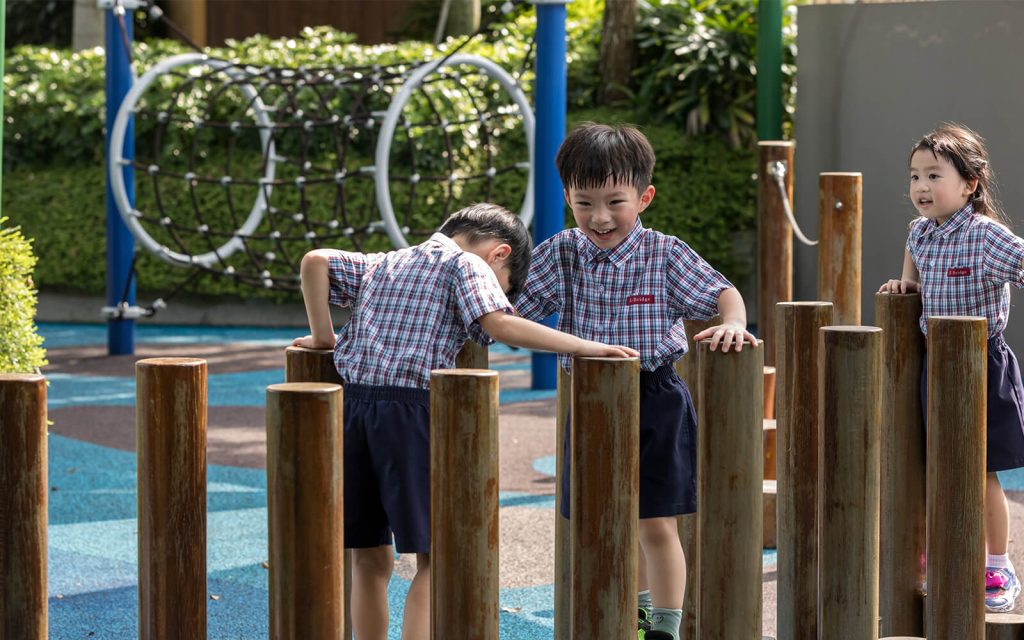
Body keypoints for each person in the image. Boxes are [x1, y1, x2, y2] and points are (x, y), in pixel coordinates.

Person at [293, 202, 637, 640]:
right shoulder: (466, 265)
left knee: (370, 558)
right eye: (504, 285)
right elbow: (499, 325)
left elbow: (315, 261)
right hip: (411, 414)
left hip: (354, 409)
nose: (498, 291)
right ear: (499, 254)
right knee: (435, 557)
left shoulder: (389, 260)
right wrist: (585, 346)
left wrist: (324, 337)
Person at [516, 123, 757, 639]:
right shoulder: (560, 252)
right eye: (585, 203)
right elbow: (517, 315)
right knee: (598, 517)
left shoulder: (664, 253)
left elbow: (723, 293)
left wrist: (733, 322)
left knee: (654, 520)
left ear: (644, 197)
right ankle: (638, 609)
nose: (600, 217)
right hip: (590, 397)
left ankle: (665, 627)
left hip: (655, 396)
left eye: (615, 202)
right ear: (567, 197)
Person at [879, 123, 1024, 612]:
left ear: (970, 184)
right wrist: (904, 284)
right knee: (932, 463)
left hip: (981, 361)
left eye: (934, 175)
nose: (921, 187)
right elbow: (913, 269)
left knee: (979, 471)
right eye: (915, 176)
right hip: (935, 365)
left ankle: (998, 565)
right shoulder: (919, 232)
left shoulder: (985, 235)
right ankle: (936, 555)